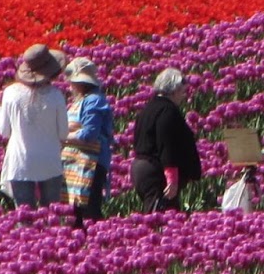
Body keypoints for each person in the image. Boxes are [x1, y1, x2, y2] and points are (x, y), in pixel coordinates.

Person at [0, 45, 70, 207]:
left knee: (24, 218)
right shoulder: (56, 96)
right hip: (50, 161)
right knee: (51, 216)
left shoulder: (10, 93)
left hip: (20, 162)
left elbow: (4, 131)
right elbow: (63, 133)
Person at [131, 68, 202, 211]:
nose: (184, 96)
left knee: (156, 210)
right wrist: (172, 178)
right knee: (161, 215)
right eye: (182, 91)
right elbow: (167, 144)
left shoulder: (148, 109)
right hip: (157, 173)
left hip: (141, 168)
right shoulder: (167, 111)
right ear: (174, 91)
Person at [62, 57, 115, 225]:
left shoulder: (94, 100)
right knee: (76, 211)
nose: (70, 86)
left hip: (89, 164)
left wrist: (63, 137)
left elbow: (90, 133)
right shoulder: (80, 101)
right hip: (75, 165)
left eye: (72, 82)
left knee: (89, 211)